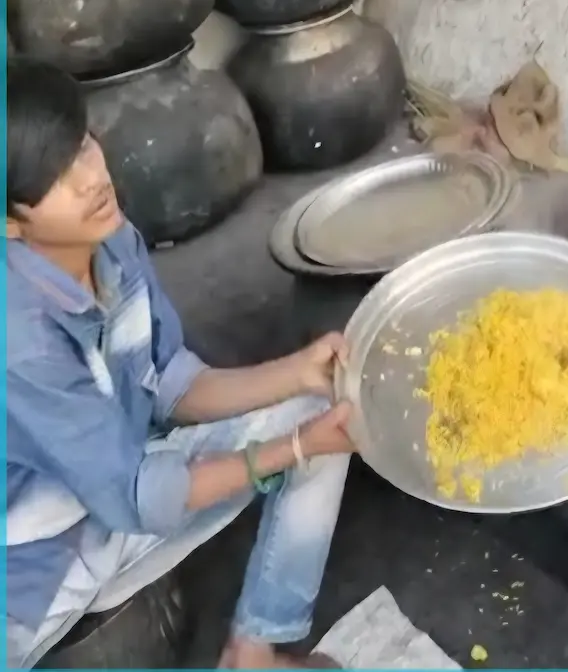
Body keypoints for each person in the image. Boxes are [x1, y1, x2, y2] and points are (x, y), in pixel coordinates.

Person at [6, 57, 357, 669]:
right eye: (57, 177)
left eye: (83, 145)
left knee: (329, 406)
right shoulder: (20, 338)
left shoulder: (110, 238)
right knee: (308, 440)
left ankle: (252, 652)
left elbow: (172, 382)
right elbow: (140, 496)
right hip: (34, 575)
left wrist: (300, 371)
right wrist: (291, 449)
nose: (91, 176)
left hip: (117, 498)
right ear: (11, 222)